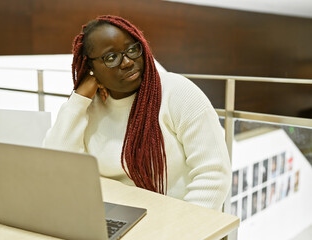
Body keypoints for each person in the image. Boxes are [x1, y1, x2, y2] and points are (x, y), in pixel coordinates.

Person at [43, 15, 231, 211]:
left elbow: (214, 174)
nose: (126, 62)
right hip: (108, 216)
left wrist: (185, 230)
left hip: (173, 221)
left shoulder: (178, 93)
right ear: (91, 67)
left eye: (132, 49)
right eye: (111, 57)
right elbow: (59, 166)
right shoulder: (89, 105)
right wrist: (79, 98)